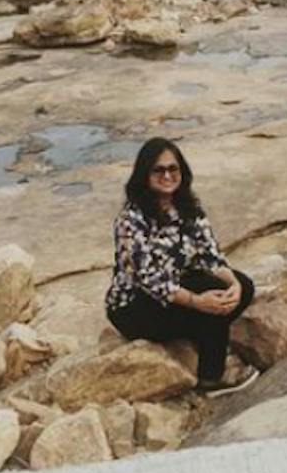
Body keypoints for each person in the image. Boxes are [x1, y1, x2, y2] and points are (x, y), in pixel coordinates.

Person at [105, 137, 258, 396]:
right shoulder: (131, 220)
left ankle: (201, 333)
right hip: (135, 304)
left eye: (172, 169)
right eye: (158, 170)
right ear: (144, 174)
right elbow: (149, 279)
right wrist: (197, 301)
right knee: (209, 307)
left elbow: (210, 256)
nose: (167, 175)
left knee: (241, 287)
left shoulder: (189, 209)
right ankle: (212, 379)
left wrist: (233, 284)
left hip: (176, 289)